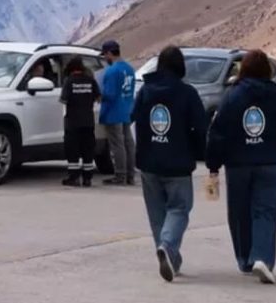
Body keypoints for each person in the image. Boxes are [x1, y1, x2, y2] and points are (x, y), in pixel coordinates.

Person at [206, 49, 276, 284]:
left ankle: (245, 258)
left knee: (239, 213)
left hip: (238, 164)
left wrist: (213, 165)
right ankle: (262, 258)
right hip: (270, 163)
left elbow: (217, 133)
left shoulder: (231, 97)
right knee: (265, 211)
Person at [132, 45, 208, 282]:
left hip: (148, 162)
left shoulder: (145, 91)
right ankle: (167, 246)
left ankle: (169, 257)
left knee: (157, 214)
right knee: (179, 209)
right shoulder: (188, 93)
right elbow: (201, 126)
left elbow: (132, 117)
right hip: (178, 163)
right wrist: (200, 152)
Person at [99, 40, 137, 186]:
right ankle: (130, 175)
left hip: (113, 112)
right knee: (128, 142)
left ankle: (120, 175)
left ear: (109, 53)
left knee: (117, 144)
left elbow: (110, 94)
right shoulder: (129, 69)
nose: (105, 58)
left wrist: (99, 95)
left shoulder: (112, 71)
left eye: (105, 55)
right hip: (126, 109)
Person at [60, 57, 101, 187]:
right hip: (88, 121)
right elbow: (99, 97)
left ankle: (74, 177)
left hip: (73, 122)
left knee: (73, 150)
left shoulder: (69, 81)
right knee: (88, 149)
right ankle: (87, 178)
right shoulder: (91, 80)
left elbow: (63, 100)